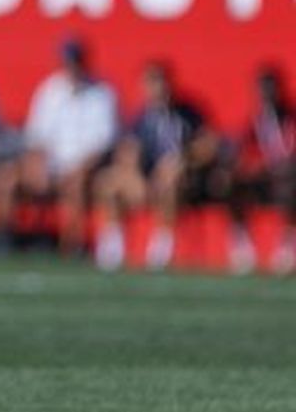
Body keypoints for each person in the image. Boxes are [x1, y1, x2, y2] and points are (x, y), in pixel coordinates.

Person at [93, 60, 231, 271]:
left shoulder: (188, 113)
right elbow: (128, 149)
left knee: (170, 181)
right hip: (148, 178)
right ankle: (114, 244)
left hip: (185, 179)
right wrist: (135, 174)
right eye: (151, 83)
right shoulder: (142, 117)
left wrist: (182, 160)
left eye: (160, 82)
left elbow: (209, 144)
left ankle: (162, 245)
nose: (157, 89)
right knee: (109, 182)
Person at [0, 38, 119, 256]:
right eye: (67, 62)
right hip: (50, 165)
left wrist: (81, 168)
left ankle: (71, 246)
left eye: (75, 62)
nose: (71, 68)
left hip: (85, 168)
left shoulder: (102, 93)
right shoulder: (50, 90)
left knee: (76, 184)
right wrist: (38, 165)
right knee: (6, 178)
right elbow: (36, 137)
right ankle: (8, 239)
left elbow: (104, 142)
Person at [238, 65, 296, 274]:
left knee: (291, 183)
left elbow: (289, 152)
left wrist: (271, 165)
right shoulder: (257, 120)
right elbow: (245, 151)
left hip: (287, 176)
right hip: (264, 179)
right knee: (232, 183)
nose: (266, 93)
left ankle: (288, 244)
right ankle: (243, 244)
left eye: (270, 88)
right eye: (262, 88)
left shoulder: (290, 117)